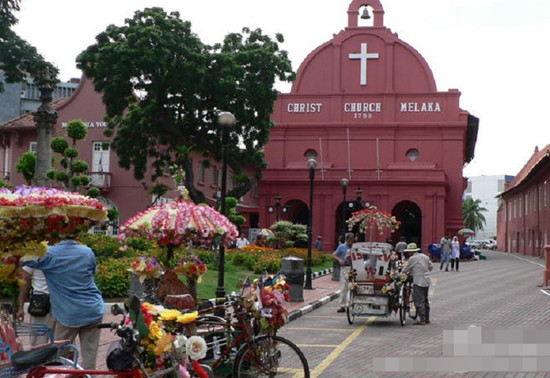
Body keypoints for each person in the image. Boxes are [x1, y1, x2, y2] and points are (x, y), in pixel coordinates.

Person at [22, 238, 105, 370]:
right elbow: (92, 271)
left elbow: (24, 262)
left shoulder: (49, 254)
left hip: (69, 312)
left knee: (58, 356)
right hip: (93, 308)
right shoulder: (87, 252)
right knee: (90, 354)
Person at [16, 267, 54, 346]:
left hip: (39, 301)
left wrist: (20, 308)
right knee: (63, 342)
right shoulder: (65, 255)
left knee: (38, 342)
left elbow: (24, 282)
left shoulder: (33, 257)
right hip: (61, 300)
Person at [402, 242, 433, 325]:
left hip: (418, 280)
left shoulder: (412, 259)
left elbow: (406, 269)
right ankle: (427, 318)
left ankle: (422, 319)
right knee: (425, 299)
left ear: (411, 252)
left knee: (419, 300)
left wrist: (401, 272)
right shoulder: (425, 256)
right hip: (426, 280)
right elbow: (431, 267)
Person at [333, 232, 355, 313]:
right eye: (349, 241)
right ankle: (342, 305)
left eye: (352, 241)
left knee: (354, 286)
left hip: (354, 268)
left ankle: (353, 303)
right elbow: (334, 254)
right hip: (345, 267)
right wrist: (340, 260)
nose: (350, 242)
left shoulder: (355, 247)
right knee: (343, 286)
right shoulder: (341, 246)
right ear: (346, 240)